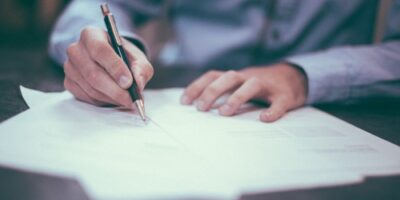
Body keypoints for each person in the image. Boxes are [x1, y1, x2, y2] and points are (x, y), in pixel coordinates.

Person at [49, 0, 400, 122]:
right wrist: (103, 46)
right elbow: (93, 6)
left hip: (332, 107)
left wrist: (302, 75)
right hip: (186, 96)